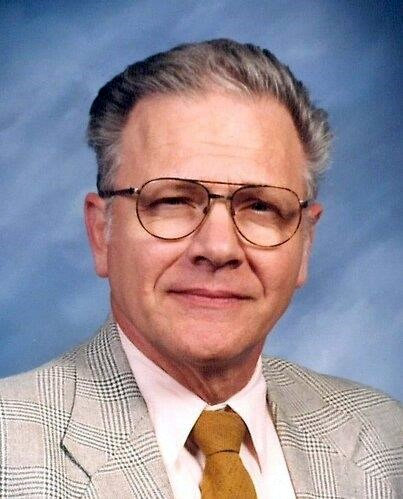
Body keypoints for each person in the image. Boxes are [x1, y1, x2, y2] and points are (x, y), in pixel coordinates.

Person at [0, 39, 401, 499]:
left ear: (304, 242)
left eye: (260, 206)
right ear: (101, 233)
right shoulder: (10, 453)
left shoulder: (386, 441)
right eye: (173, 200)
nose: (219, 247)